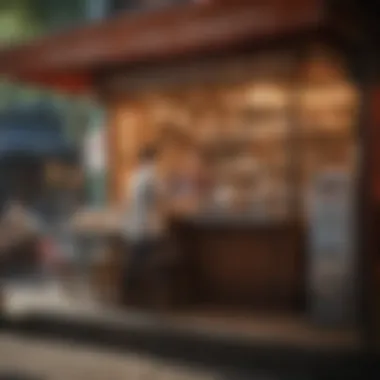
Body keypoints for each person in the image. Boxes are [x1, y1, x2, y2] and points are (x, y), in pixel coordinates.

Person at [123, 145, 165, 300]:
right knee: (144, 263)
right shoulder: (153, 176)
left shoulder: (135, 177)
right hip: (149, 228)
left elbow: (129, 201)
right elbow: (162, 198)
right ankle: (146, 296)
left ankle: (130, 295)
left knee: (135, 262)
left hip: (135, 226)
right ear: (153, 158)